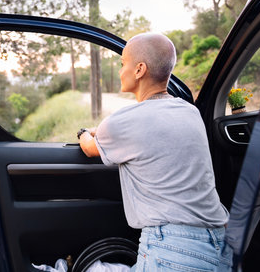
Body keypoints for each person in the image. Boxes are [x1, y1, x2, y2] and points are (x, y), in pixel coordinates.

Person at [78, 33, 232, 271]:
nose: (120, 71)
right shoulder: (189, 112)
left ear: (139, 69)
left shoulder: (124, 121)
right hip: (221, 242)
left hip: (173, 248)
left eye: (123, 64)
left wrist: (84, 132)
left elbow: (89, 148)